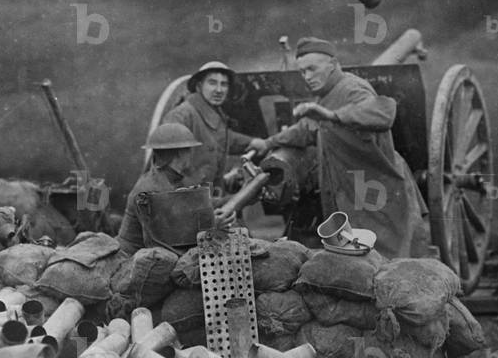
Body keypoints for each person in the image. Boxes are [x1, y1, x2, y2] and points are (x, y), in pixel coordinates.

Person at [247, 37, 428, 258]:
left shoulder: (353, 88)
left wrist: (333, 116)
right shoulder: (327, 96)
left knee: (389, 256)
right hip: (349, 190)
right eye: (303, 72)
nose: (307, 77)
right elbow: (306, 129)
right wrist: (268, 143)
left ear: (333, 65)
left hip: (377, 187)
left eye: (312, 69)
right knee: (360, 258)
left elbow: (383, 113)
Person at [117, 123, 233, 256]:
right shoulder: (151, 190)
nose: (191, 154)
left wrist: (237, 198)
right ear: (179, 153)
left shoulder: (175, 179)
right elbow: (169, 241)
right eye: (188, 150)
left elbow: (201, 205)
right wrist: (212, 226)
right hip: (136, 262)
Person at [161, 61, 255, 195]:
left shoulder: (214, 115)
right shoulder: (181, 116)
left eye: (224, 84)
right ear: (199, 86)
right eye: (212, 83)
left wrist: (252, 143)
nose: (219, 90)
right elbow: (167, 173)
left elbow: (223, 137)